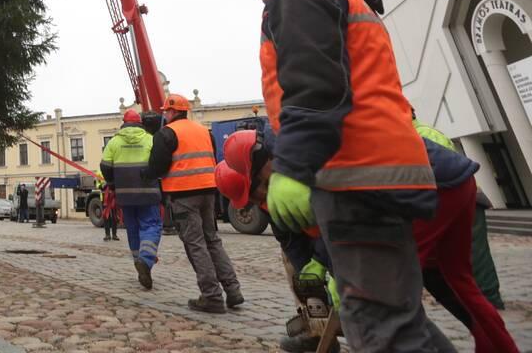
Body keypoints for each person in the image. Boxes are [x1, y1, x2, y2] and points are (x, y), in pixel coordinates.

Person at [241, 0, 442, 352]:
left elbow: (314, 88)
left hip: (354, 175)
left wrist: (292, 169)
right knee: (400, 321)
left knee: (383, 330)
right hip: (381, 169)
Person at [219, 128, 519, 353]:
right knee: (455, 283)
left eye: (256, 185)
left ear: (265, 160)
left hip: (423, 191)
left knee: (382, 299)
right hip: (451, 183)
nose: (258, 196)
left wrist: (335, 270)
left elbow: (345, 216)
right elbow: (297, 243)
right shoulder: (287, 175)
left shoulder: (303, 156)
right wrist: (311, 275)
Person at [149, 93, 242, 313]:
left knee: (196, 244)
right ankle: (233, 289)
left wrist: (146, 173)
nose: (165, 115)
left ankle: (211, 296)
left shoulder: (167, 133)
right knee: (212, 240)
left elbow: (157, 167)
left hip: (183, 194)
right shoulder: (203, 131)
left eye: (166, 111)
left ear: (171, 112)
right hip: (209, 190)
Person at [413, 111, 505, 310]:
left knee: (475, 257)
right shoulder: (417, 132)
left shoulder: (422, 134)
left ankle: (490, 302)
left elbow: (449, 173)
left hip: (465, 201)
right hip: (450, 202)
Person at [100, 109, 162, 290]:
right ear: (140, 123)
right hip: (148, 193)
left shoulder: (114, 142)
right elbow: (158, 164)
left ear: (124, 122)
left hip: (124, 195)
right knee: (151, 225)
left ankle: (139, 261)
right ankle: (146, 260)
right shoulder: (149, 139)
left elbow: (105, 166)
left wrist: (112, 183)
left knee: (133, 228)